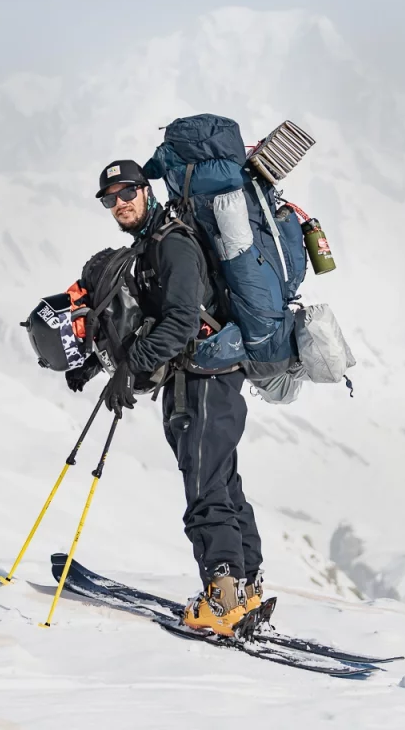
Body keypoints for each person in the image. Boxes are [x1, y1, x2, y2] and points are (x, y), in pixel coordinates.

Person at [65, 158, 266, 636]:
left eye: (127, 193)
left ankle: (223, 598)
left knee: (205, 488)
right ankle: (248, 586)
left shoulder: (172, 243)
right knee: (221, 481)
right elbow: (150, 317)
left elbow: (179, 322)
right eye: (110, 199)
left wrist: (130, 368)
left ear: (146, 190)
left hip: (203, 378)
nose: (120, 204)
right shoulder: (152, 244)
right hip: (206, 376)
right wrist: (99, 364)